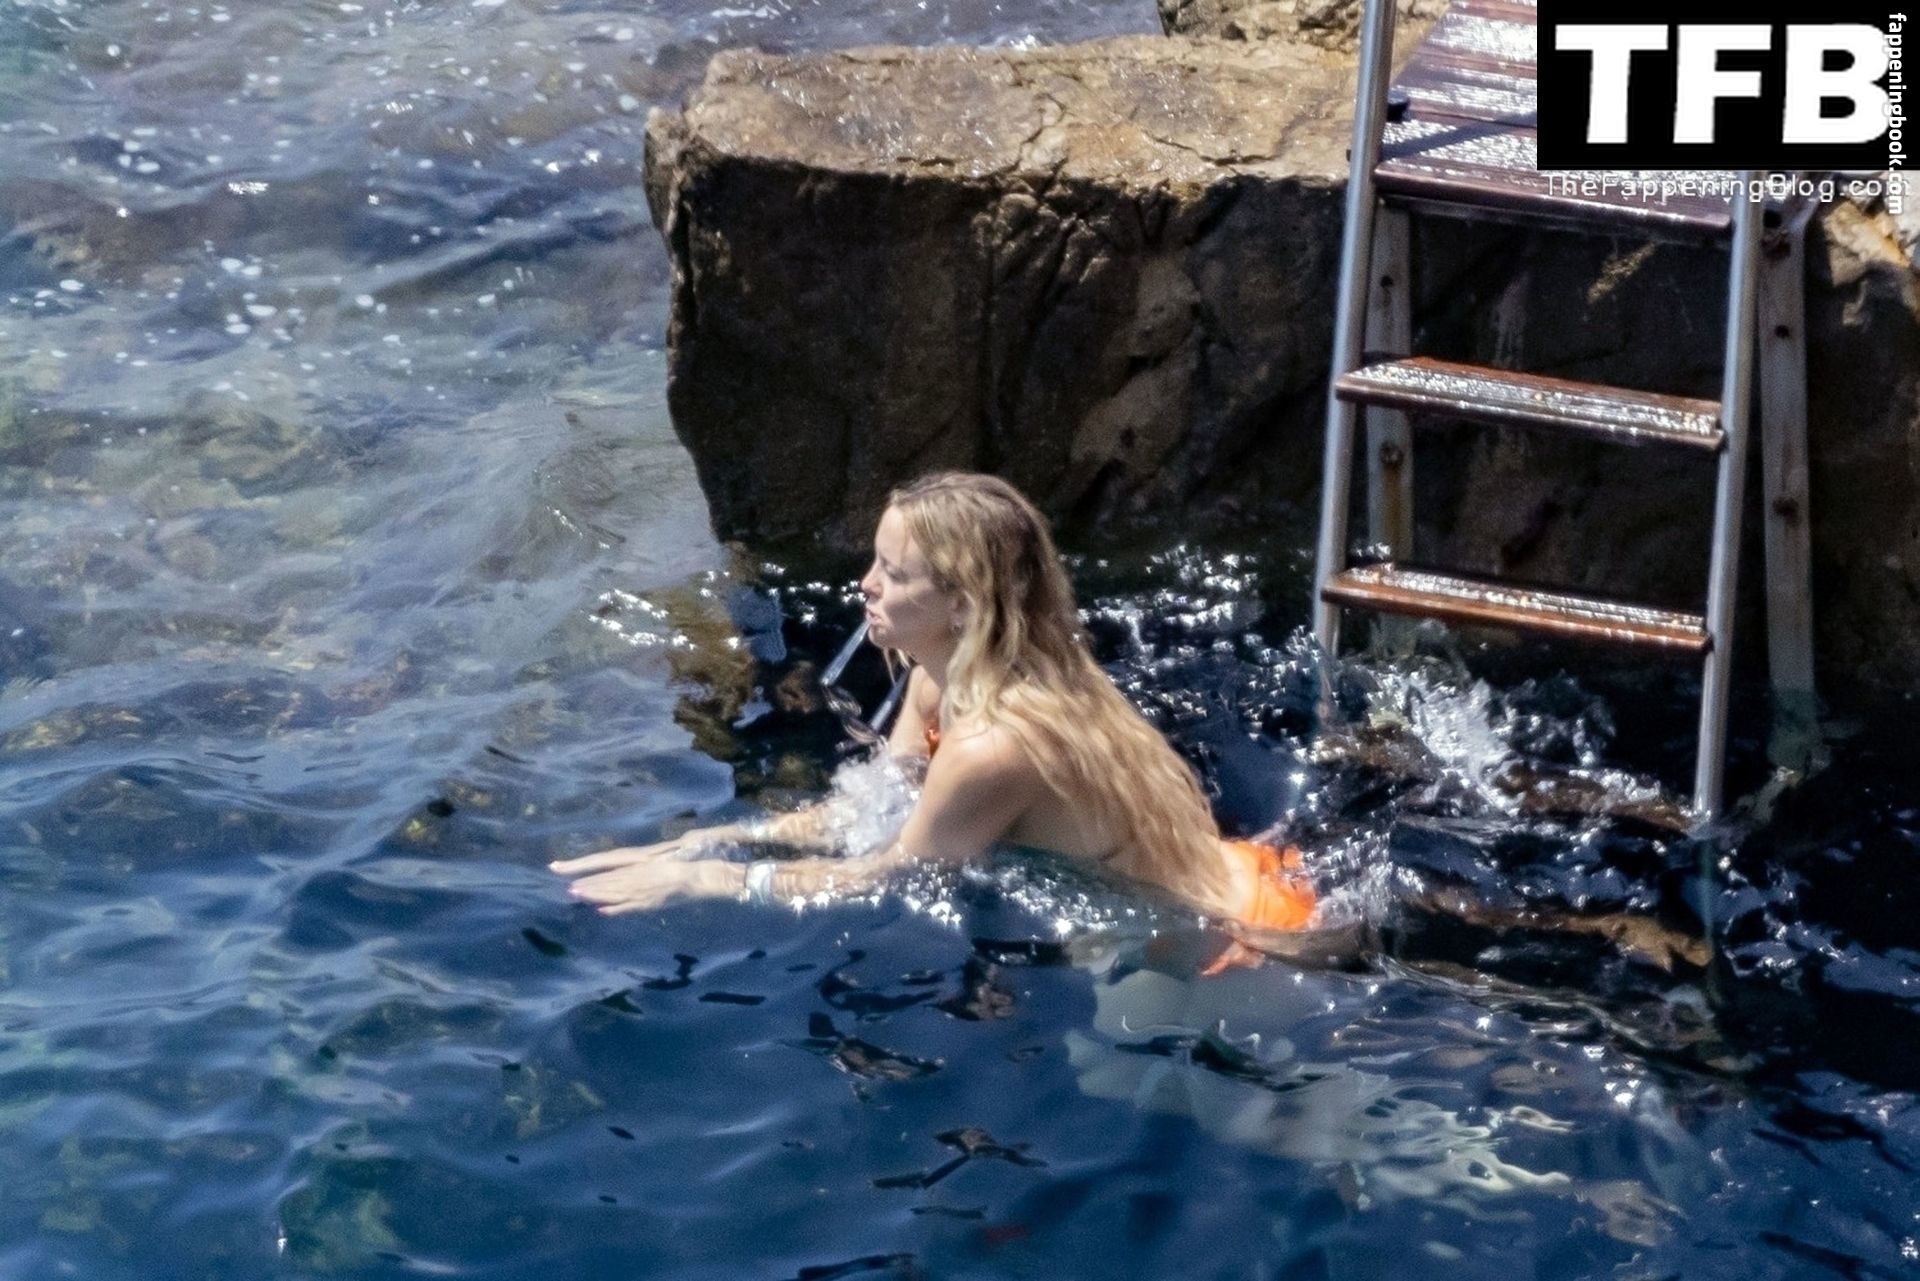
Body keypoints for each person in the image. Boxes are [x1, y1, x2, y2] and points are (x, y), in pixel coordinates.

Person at [550, 471, 1318, 959]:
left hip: (1239, 940)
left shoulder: (993, 747)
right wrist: (708, 840)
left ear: (962, 604)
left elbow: (882, 876)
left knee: (1137, 1079)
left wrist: (706, 882)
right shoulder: (940, 679)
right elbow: (869, 808)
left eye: (893, 572)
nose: (865, 584)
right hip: (1238, 878)